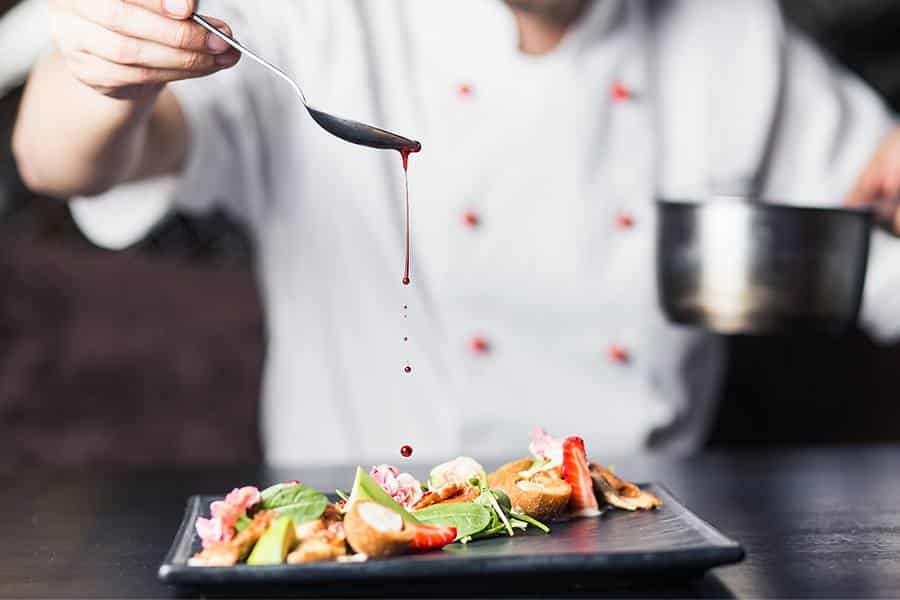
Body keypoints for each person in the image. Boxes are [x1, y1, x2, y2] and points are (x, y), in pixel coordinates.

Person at [11, 0, 900, 466]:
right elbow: (66, 161)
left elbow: (881, 258)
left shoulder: (734, 37)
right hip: (354, 549)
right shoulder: (323, 18)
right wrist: (103, 76)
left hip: (643, 543)